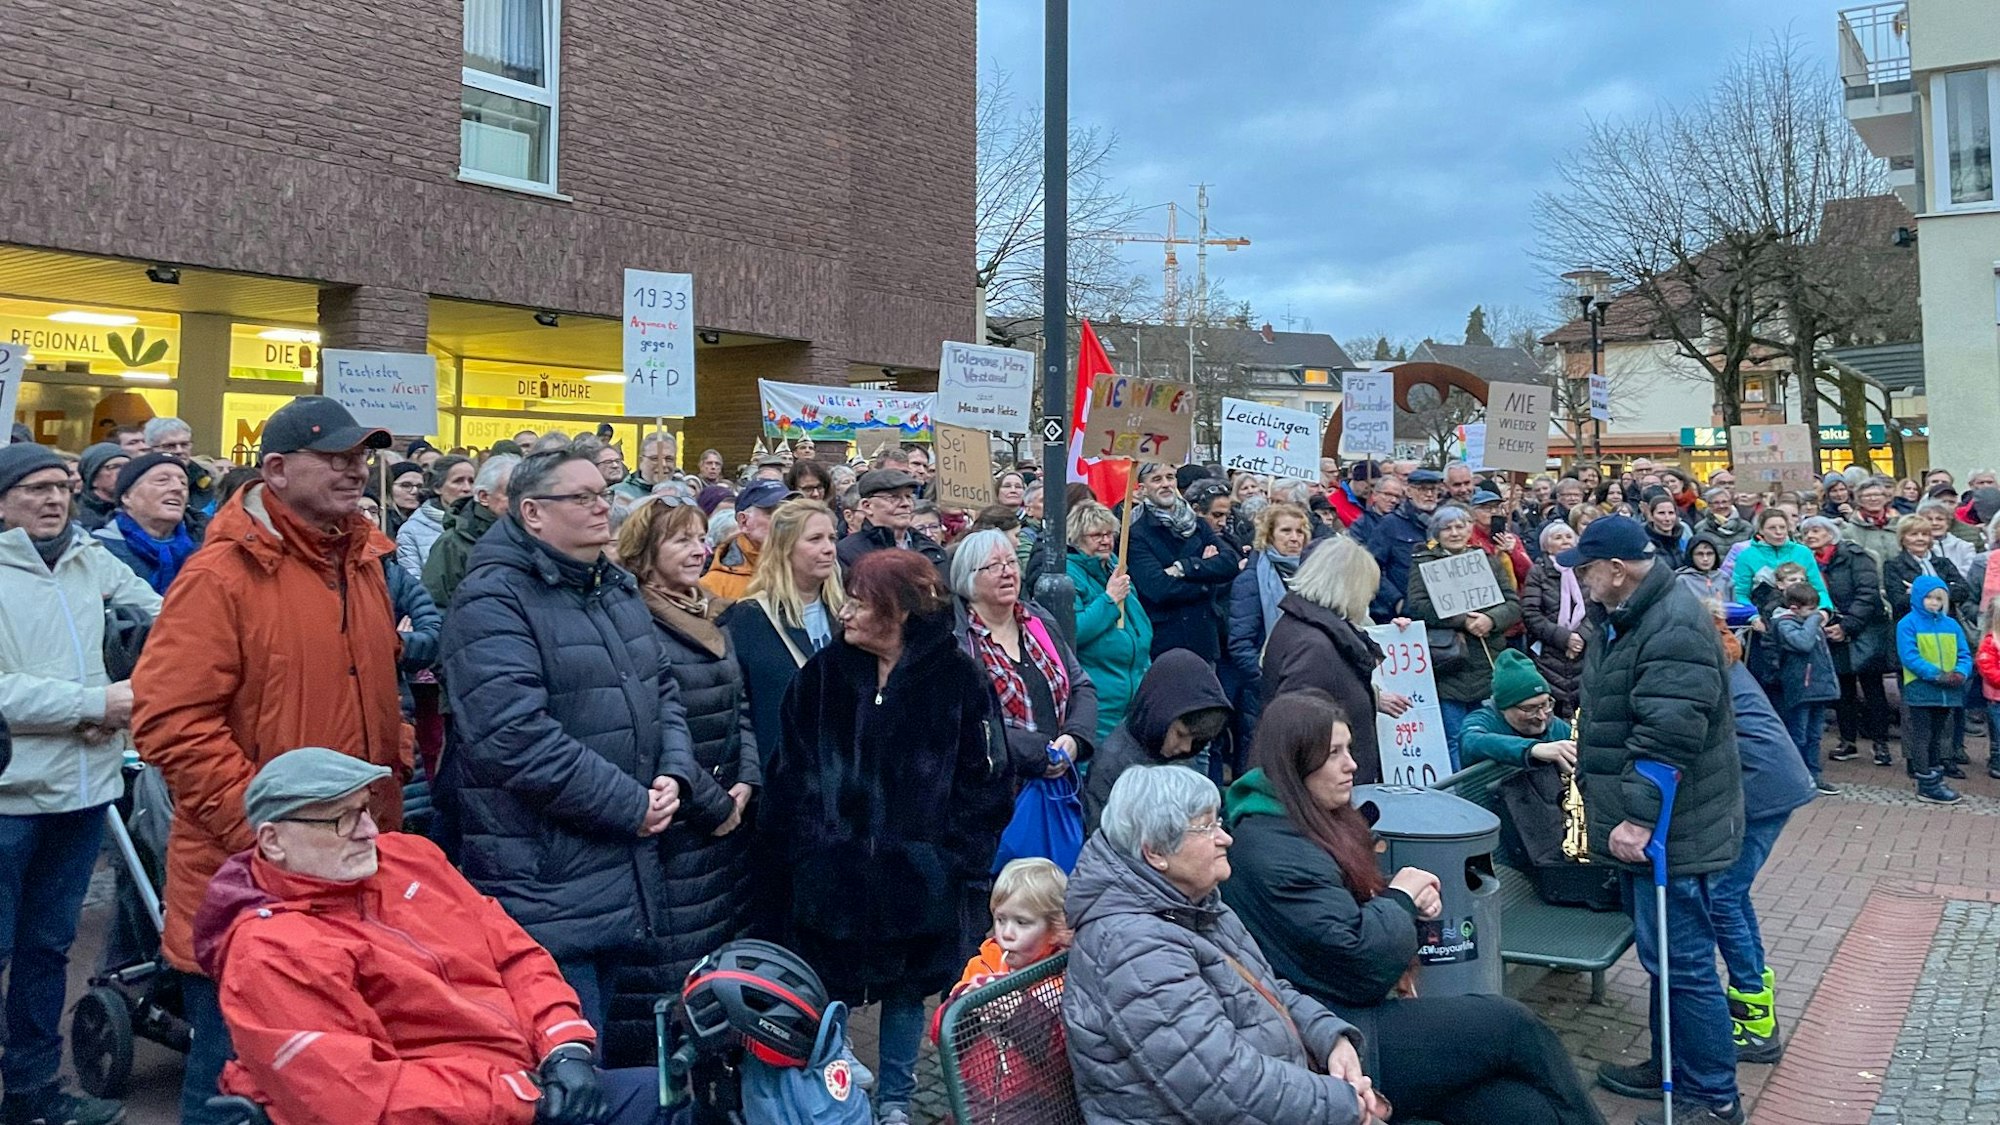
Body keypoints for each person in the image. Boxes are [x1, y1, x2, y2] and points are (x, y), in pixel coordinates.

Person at [132, 395, 413, 1125]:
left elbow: (378, 683)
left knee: (326, 1080)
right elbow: (168, 718)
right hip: (250, 880)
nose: (356, 469)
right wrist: (269, 830)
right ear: (279, 469)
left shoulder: (363, 559)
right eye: (337, 457)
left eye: (361, 456)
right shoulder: (220, 574)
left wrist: (395, 759)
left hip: (350, 866)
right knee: (235, 1083)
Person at [195, 748, 669, 1125]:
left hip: (517, 1082)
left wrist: (565, 1048)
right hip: (464, 1106)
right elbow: (358, 1099)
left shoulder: (408, 857)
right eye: (339, 819)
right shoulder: (271, 950)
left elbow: (516, 956)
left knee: (680, 1093)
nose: (366, 831)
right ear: (274, 841)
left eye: (365, 810)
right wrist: (521, 1095)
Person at [1222, 694, 1604, 1124]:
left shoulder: (1305, 819)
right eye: (1333, 754)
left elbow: (1346, 929)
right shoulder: (1272, 848)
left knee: (1521, 1109)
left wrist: (1406, 905)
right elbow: (1360, 960)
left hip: (1354, 1013)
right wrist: (1400, 899)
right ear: (1295, 761)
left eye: (1349, 749)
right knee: (1512, 1026)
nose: (1351, 764)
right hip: (1337, 1036)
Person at [438, 447, 699, 1036]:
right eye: (581, 498)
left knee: (609, 1051)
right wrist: (632, 805)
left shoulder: (615, 588)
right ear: (532, 512)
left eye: (602, 494)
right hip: (543, 875)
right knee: (566, 1056)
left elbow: (662, 690)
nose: (601, 507)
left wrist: (673, 774)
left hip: (622, 864)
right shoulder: (493, 599)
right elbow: (513, 736)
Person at [763, 548, 1013, 1125]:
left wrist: (951, 860)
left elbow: (990, 778)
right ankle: (837, 1091)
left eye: (859, 601)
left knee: (907, 993)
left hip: (921, 883)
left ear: (898, 612)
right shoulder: (822, 676)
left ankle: (897, 1099)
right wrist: (809, 851)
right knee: (832, 995)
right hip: (832, 880)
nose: (844, 612)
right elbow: (788, 772)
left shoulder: (960, 679)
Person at [1063, 765, 1386, 1125]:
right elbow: (1223, 1084)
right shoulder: (1131, 947)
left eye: (1218, 821)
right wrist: (1342, 1105)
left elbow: (1264, 988)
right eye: (1206, 827)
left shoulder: (1193, 904)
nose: (1226, 838)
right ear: (1155, 852)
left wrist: (1330, 1037)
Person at [1560, 516, 1744, 1125]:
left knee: (1684, 963)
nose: (1579, 580)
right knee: (1667, 959)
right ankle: (1674, 1064)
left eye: (1585, 569)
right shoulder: (1631, 615)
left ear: (1617, 570)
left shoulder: (1670, 625)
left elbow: (1667, 736)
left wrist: (1639, 820)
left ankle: (1713, 1097)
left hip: (1673, 829)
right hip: (1663, 822)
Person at [0, 442, 162, 1125]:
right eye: (36, 487)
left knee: (46, 950)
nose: (54, 498)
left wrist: (131, 689)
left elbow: (168, 621)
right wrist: (95, 704)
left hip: (83, 790)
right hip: (9, 797)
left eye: (62, 486)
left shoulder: (88, 557)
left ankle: (34, 1094)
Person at [606, 500, 760, 1067]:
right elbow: (654, 731)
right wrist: (715, 803)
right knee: (671, 967)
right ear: (646, 555)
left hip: (726, 820)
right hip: (681, 825)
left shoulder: (713, 612)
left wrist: (748, 775)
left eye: (700, 539)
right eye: (680, 541)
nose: (698, 549)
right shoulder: (635, 621)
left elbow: (738, 703)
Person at [1705, 614, 1817, 1065]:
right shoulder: (1726, 662)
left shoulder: (1711, 670)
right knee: (1732, 894)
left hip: (1762, 788)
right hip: (1773, 784)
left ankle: (1754, 1016)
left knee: (1722, 898)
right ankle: (1755, 1001)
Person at [951, 529, 1098, 780]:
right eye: (993, 566)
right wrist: (1034, 753)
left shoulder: (1039, 622)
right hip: (995, 789)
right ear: (968, 578)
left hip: (1057, 783)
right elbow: (965, 722)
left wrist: (1075, 738)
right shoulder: (957, 640)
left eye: (1011, 562)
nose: (1008, 571)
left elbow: (1081, 685)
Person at [1259, 536, 1403, 785]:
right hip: (1320, 794)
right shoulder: (1313, 646)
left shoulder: (1306, 628)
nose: (1369, 598)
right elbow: (1298, 736)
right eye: (1367, 589)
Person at [719, 498, 844, 763]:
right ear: (784, 548)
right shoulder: (749, 618)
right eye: (815, 539)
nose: (828, 549)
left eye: (831, 538)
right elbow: (740, 709)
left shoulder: (846, 614)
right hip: (783, 773)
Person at [1405, 506, 1522, 764]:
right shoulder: (1423, 562)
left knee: (1489, 734)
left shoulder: (1488, 561)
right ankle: (1463, 794)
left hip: (1487, 659)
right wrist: (1463, 620)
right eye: (1447, 528)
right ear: (1437, 532)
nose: (1455, 533)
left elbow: (1513, 604)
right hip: (1449, 663)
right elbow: (1417, 606)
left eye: (1460, 526)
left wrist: (1490, 619)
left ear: (1470, 528)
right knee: (1455, 737)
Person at [1081, 650, 1230, 833]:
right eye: (1180, 734)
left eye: (1196, 740)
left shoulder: (1183, 756)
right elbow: (1100, 838)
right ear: (1158, 714)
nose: (1186, 747)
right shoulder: (1111, 765)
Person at [1125, 461, 1240, 661]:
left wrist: (1184, 567)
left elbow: (1230, 563)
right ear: (1142, 489)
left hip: (1203, 638)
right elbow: (1157, 588)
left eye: (1170, 477)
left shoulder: (1198, 524)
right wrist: (1207, 581)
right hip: (1166, 641)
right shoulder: (1136, 534)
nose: (1166, 484)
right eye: (1157, 479)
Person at [1801, 516, 1893, 767]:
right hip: (1831, 630)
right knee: (1843, 690)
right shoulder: (1806, 561)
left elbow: (1868, 593)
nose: (1809, 536)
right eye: (1805, 532)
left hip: (1864, 630)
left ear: (1831, 534)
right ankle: (1848, 741)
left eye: (1815, 530)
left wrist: (1847, 625)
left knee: (1873, 689)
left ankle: (1880, 744)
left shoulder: (1855, 555)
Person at [1065, 502, 1153, 743]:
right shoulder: (1069, 573)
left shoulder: (1115, 567)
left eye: (1108, 534)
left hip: (1132, 692)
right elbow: (1075, 630)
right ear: (1078, 538)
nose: (1105, 540)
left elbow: (1140, 624)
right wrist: (1109, 600)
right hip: (1100, 697)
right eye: (1096, 535)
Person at [1227, 502, 1309, 731]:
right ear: (1269, 535)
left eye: (1300, 531)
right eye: (1286, 530)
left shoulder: (1312, 577)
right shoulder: (1251, 580)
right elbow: (1240, 642)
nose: (1295, 538)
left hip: (1306, 681)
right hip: (1266, 690)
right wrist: (1266, 679)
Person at [1897, 574, 1972, 803]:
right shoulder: (1907, 624)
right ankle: (1926, 781)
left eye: (1938, 599)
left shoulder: (1951, 625)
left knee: (1939, 736)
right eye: (1928, 598)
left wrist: (1961, 672)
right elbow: (1910, 657)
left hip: (1948, 690)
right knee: (1921, 736)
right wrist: (1936, 675)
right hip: (1921, 687)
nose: (1933, 603)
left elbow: (1964, 653)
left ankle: (1935, 778)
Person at [92, 451, 201, 594]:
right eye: (162, 480)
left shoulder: (204, 544)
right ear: (127, 497)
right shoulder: (99, 550)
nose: (177, 488)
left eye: (183, 483)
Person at [1769, 582, 1842, 795]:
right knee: (1798, 734)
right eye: (1810, 609)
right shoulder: (1785, 624)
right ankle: (1795, 776)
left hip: (1818, 687)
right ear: (1794, 608)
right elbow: (1803, 643)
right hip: (1801, 688)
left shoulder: (1808, 621)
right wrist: (1815, 619)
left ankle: (1813, 774)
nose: (1816, 614)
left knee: (1814, 735)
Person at [422, 453, 516, 613]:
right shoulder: (453, 543)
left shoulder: (536, 535)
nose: (522, 500)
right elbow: (435, 605)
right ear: (484, 496)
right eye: (512, 493)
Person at [1460, 651, 1579, 772]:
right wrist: (1532, 749)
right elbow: (1471, 742)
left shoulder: (1555, 726)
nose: (1542, 716)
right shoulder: (1483, 720)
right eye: (1529, 708)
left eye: (1545, 704)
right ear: (1504, 707)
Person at [1521, 521, 1587, 718]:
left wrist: (1581, 637)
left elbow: (1597, 608)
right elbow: (1530, 612)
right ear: (1546, 545)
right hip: (1549, 650)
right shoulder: (1538, 572)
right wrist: (1564, 638)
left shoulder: (1586, 568)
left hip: (1584, 650)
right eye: (1557, 538)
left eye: (1568, 537)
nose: (1564, 541)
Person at [1365, 467, 1443, 621]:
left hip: (1438, 608)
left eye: (1433, 490)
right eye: (1422, 489)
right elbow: (1371, 568)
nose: (1429, 494)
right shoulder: (1390, 524)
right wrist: (1396, 601)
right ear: (1408, 492)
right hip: (1399, 614)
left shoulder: (1443, 523)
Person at [836, 468, 945, 571]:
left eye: (908, 496)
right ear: (867, 506)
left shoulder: (930, 548)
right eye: (894, 497)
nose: (906, 504)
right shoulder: (848, 552)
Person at [700, 478, 788, 600]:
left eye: (790, 511)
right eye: (774, 512)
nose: (786, 519)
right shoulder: (713, 585)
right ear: (744, 521)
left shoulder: (808, 569)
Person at [1732, 509, 1832, 608]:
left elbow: (1819, 589)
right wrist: (1753, 616)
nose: (1778, 532)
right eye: (1772, 528)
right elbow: (1740, 594)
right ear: (1761, 530)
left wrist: (1824, 611)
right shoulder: (1746, 556)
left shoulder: (1803, 552)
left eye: (1782, 527)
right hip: (1761, 612)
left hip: (1803, 612)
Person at [1883, 513, 1973, 621]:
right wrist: (1944, 590)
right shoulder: (1893, 565)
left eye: (1925, 534)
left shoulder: (1943, 563)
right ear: (1902, 538)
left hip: (1946, 623)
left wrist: (1918, 590)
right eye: (1914, 534)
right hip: (1912, 626)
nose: (1920, 539)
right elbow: (1899, 602)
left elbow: (1963, 591)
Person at [395, 454, 474, 578]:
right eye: (458, 481)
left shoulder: (483, 523)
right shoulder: (411, 530)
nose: (467, 488)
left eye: (471, 481)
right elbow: (413, 583)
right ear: (437, 487)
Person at [1843, 477, 1901, 567]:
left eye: (1877, 495)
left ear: (1886, 498)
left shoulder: (1900, 524)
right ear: (1859, 500)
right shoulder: (1849, 531)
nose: (1873, 499)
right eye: (1867, 496)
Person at [74, 441, 128, 531]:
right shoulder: (77, 514)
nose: (123, 471)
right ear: (93, 478)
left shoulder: (137, 508)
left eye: (127, 466)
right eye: (114, 467)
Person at [615, 432, 676, 504]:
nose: (663, 464)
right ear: (641, 461)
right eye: (655, 458)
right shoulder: (616, 495)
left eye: (669, 459)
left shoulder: (686, 494)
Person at [1674, 533, 1731, 604]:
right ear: (1691, 556)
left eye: (1709, 554)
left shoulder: (1724, 578)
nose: (1705, 559)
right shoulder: (1682, 581)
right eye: (1700, 554)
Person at [1643, 494, 1691, 567]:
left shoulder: (1683, 541)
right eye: (1661, 513)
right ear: (1651, 516)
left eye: (1671, 513)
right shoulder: (1644, 544)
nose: (1667, 518)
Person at [380, 460, 424, 538]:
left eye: (419, 486)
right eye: (406, 485)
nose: (415, 491)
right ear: (388, 487)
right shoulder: (381, 520)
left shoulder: (426, 519)